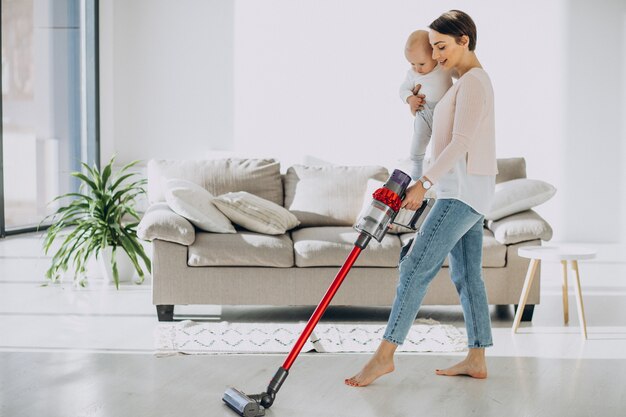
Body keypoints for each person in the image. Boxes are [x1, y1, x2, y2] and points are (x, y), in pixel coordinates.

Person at [346, 9, 497, 387]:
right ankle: (477, 358)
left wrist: (423, 183)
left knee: (414, 268)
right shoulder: (460, 82)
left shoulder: (474, 82)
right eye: (433, 48)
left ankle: (384, 357)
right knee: (466, 275)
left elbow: (461, 143)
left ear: (465, 40)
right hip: (469, 191)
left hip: (459, 193)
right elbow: (441, 129)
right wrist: (416, 104)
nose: (437, 56)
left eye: (442, 47)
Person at [399, 30, 453, 180]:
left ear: (434, 55)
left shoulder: (444, 67)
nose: (417, 68)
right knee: (418, 140)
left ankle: (443, 169)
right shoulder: (412, 74)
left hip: (444, 113)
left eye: (421, 63)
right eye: (412, 63)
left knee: (444, 143)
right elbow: (403, 89)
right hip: (424, 111)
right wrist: (410, 99)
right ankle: (417, 165)